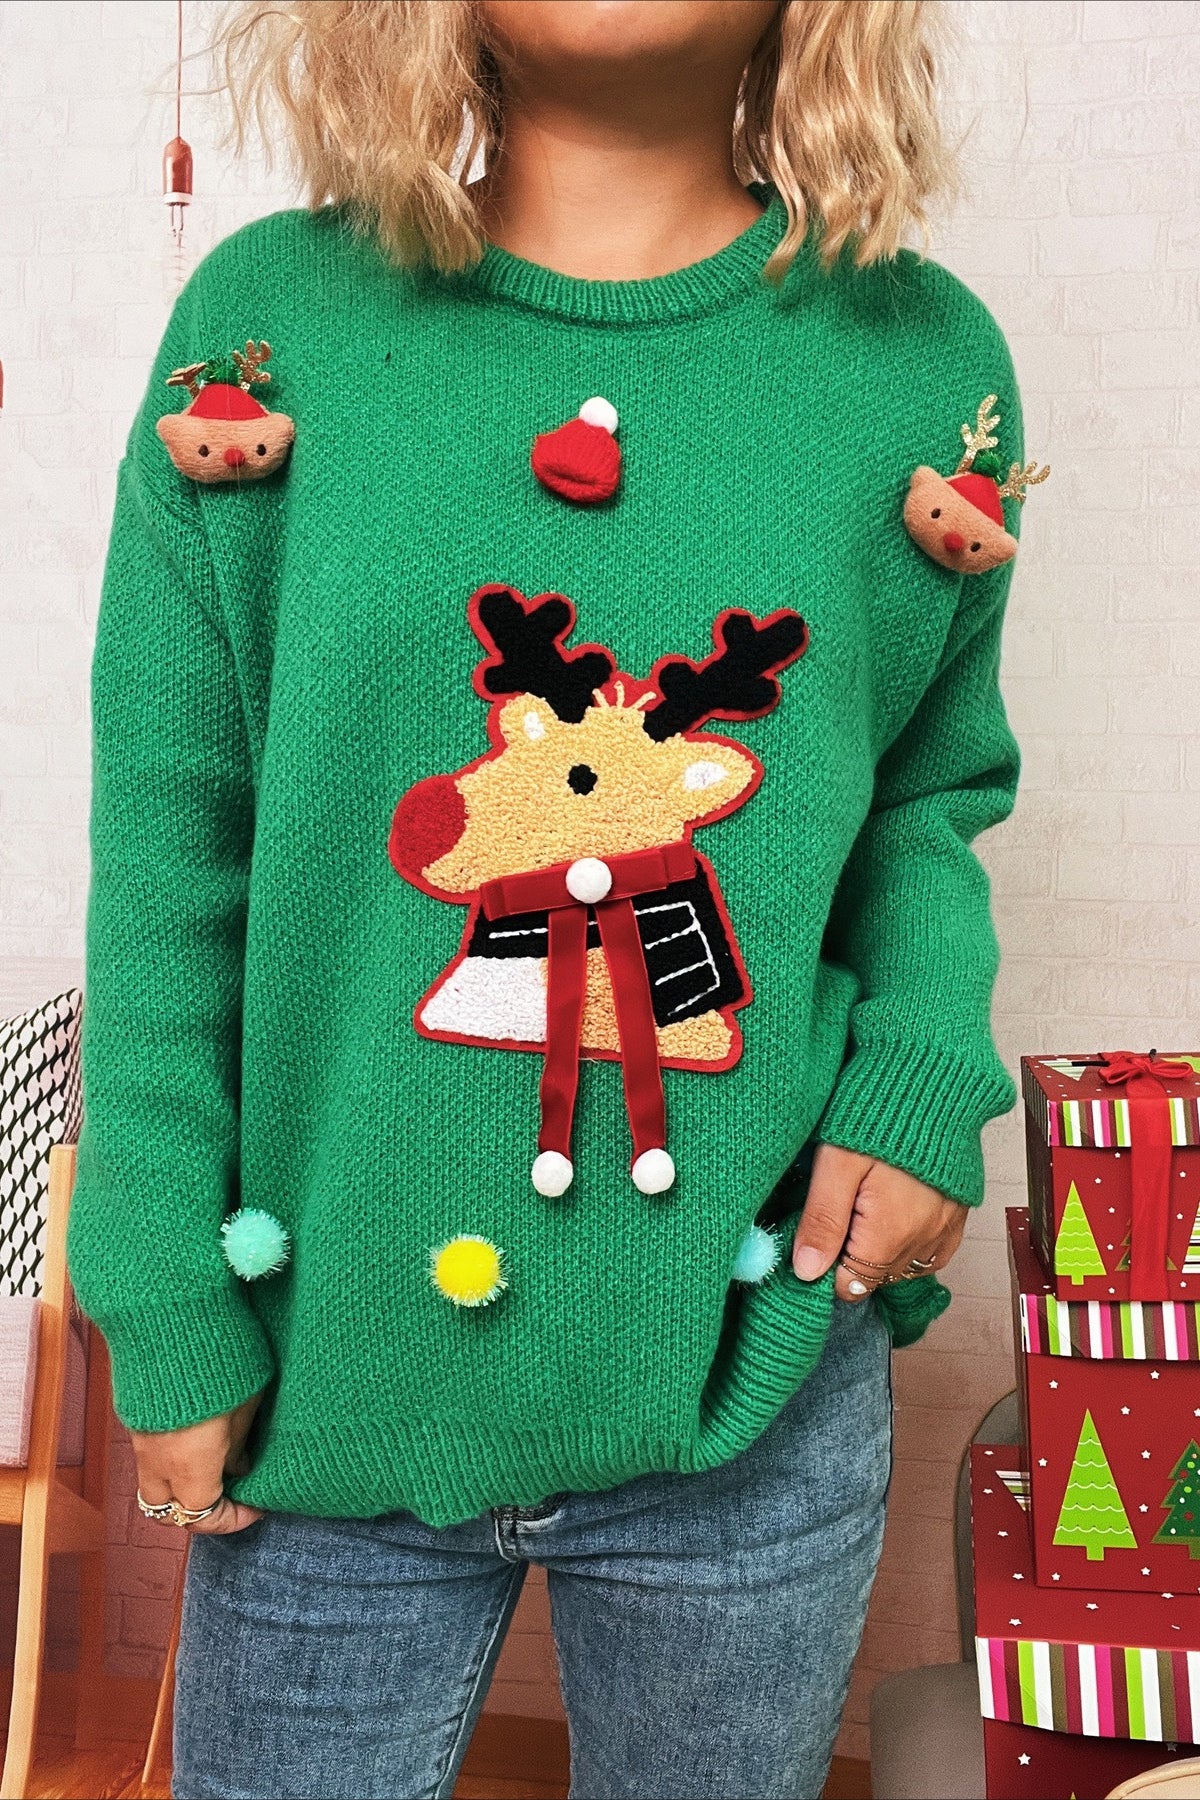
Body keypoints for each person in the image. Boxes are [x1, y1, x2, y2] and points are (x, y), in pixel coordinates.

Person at [67, 4, 1024, 1796]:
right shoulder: (266, 336)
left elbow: (926, 797)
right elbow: (173, 846)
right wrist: (161, 1288)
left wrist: (917, 1080)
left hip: (750, 1362)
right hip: (320, 1364)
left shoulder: (922, 363)